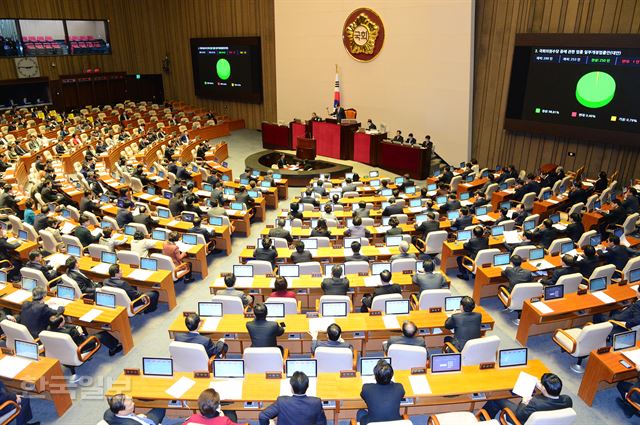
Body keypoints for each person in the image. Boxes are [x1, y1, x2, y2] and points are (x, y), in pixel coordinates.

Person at [483, 373, 572, 423]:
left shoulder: (536, 402)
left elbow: (519, 414)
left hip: (521, 420)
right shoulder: (567, 400)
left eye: (541, 384)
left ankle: (482, 419)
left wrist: (524, 401)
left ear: (544, 388)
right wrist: (540, 386)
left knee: (496, 399)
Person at [259, 371, 326, 425]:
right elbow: (322, 423)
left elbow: (263, 416)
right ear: (307, 386)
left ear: (292, 388)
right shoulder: (316, 402)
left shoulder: (282, 401)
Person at [48, 313, 123, 357]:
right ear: (60, 324)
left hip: (63, 350)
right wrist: (80, 332)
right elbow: (82, 339)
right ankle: (114, 348)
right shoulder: (71, 331)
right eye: (64, 319)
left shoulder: (49, 329)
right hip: (81, 347)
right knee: (102, 334)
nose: (65, 320)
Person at [357, 360, 405, 425]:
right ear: (392, 375)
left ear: (375, 376)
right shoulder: (399, 387)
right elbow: (402, 395)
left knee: (360, 412)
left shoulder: (366, 388)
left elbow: (363, 396)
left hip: (373, 422)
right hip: (395, 422)